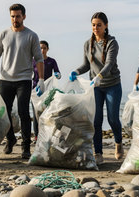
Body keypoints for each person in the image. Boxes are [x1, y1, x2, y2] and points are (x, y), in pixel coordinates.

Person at [0, 3, 44, 159]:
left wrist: (41, 80)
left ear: (24, 16)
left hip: (24, 79)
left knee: (24, 112)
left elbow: (39, 59)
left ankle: (26, 147)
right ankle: (10, 138)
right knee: (3, 113)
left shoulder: (31, 36)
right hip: (5, 79)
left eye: (18, 16)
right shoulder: (4, 34)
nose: (15, 19)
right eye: (12, 16)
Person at [69, 12, 123, 165]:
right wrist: (77, 71)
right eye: (93, 25)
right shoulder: (88, 44)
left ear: (106, 26)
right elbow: (87, 65)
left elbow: (109, 63)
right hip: (95, 88)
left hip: (112, 85)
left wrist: (99, 76)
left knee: (113, 119)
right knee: (96, 120)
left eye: (99, 25)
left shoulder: (112, 42)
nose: (96, 27)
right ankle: (98, 153)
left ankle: (118, 143)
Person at [32, 40, 61, 140]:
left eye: (44, 48)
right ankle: (37, 136)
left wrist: (57, 75)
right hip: (35, 92)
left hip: (48, 92)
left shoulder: (51, 61)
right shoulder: (33, 61)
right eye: (40, 48)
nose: (42, 50)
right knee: (36, 114)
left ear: (47, 49)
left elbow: (58, 74)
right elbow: (29, 74)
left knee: (47, 113)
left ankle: (47, 135)